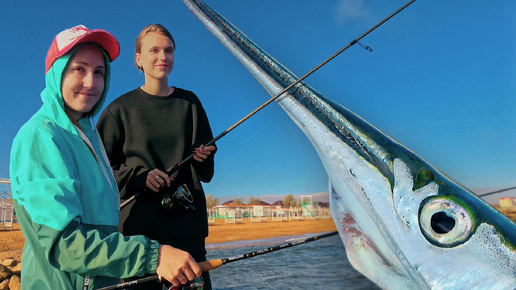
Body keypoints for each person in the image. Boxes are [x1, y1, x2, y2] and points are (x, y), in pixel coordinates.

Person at [10, 25, 201, 289]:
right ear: (57, 71)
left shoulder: (88, 136)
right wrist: (154, 256)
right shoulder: (40, 137)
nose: (91, 83)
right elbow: (65, 245)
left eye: (99, 72)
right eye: (79, 69)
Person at [97, 24, 217, 289]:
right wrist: (140, 178)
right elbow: (100, 174)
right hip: (140, 243)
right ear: (138, 59)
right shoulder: (119, 111)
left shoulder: (191, 104)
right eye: (154, 50)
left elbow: (207, 174)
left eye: (169, 50)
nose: (163, 56)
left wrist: (203, 158)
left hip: (189, 238)